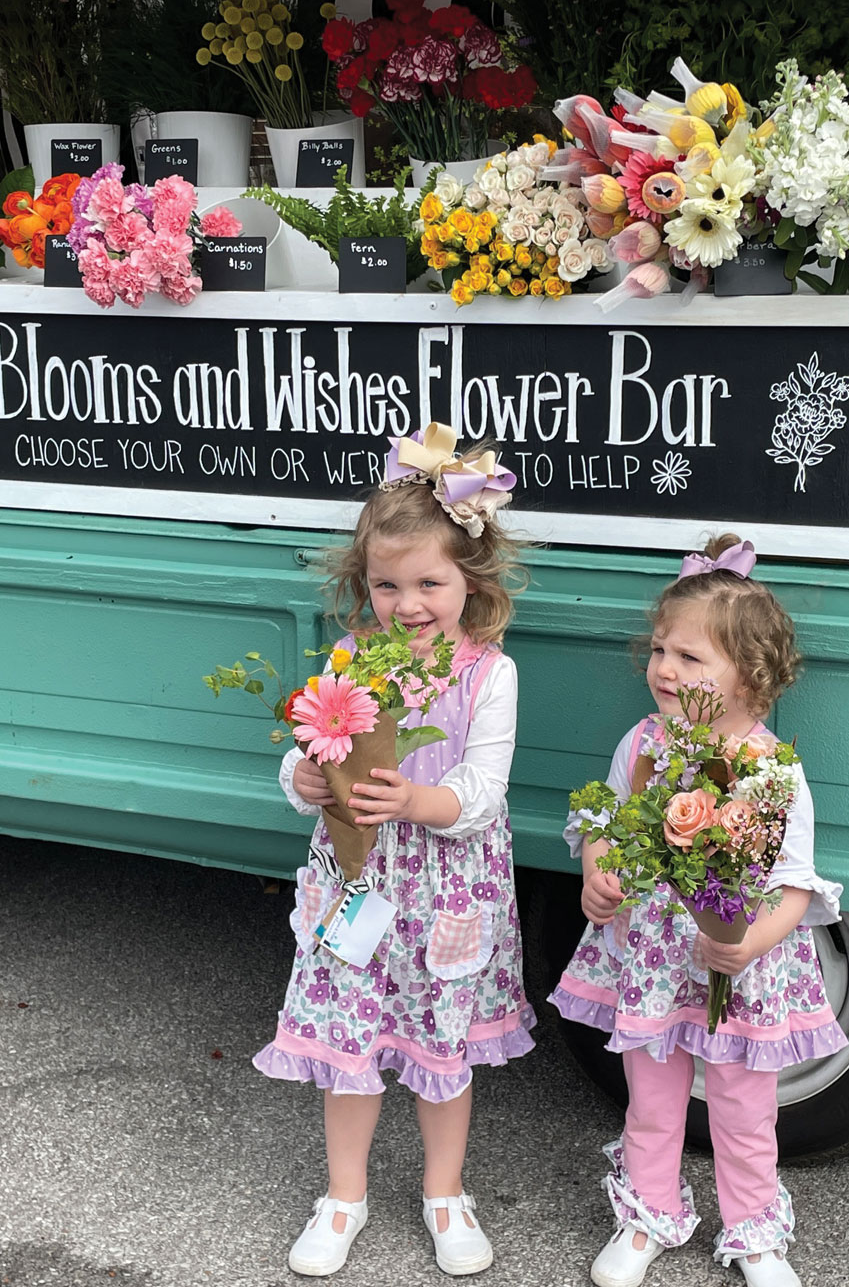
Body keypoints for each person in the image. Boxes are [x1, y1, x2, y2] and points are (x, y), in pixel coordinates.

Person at [254, 425, 534, 1278]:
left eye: (428, 583)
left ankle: (445, 1193)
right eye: (386, 584)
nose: (407, 603)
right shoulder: (349, 659)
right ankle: (345, 1196)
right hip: (357, 879)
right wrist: (300, 777)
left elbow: (485, 794)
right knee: (349, 1042)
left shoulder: (491, 674)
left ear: (470, 581)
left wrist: (419, 800)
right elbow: (310, 750)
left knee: (440, 1048)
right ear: (362, 583)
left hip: (447, 889)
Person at [549, 536, 845, 1287]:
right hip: (650, 960)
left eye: (690, 658)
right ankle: (647, 1214)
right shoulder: (644, 745)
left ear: (751, 678)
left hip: (736, 968)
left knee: (746, 1112)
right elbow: (606, 828)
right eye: (659, 651)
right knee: (652, 1101)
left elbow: (796, 882)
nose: (665, 670)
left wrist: (749, 945)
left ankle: (754, 1233)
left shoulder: (771, 768)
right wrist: (598, 877)